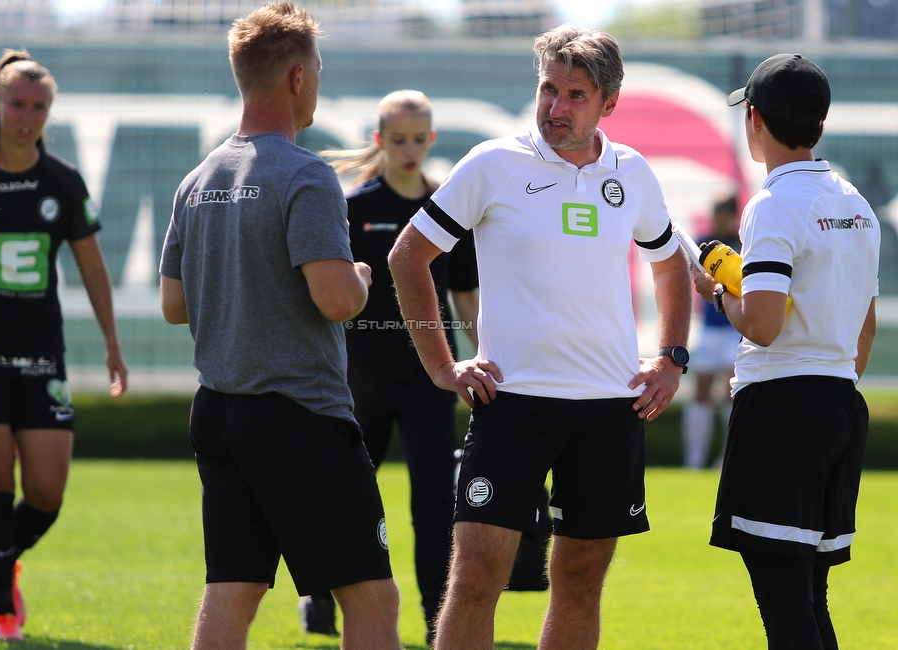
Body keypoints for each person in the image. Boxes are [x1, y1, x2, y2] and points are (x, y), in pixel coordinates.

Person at [388, 24, 691, 650]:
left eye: (575, 95)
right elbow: (408, 257)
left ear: (608, 104)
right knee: (475, 575)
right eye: (548, 89)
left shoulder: (631, 171)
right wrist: (443, 368)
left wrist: (672, 358)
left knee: (580, 579)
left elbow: (670, 263)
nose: (556, 107)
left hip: (611, 408)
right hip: (512, 403)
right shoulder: (493, 164)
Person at [158, 4, 402, 649]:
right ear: (297, 78)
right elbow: (335, 301)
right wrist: (360, 279)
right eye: (317, 70)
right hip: (298, 413)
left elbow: (174, 306)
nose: (318, 82)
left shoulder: (198, 179)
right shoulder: (306, 173)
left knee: (232, 592)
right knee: (373, 596)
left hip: (218, 412)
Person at [0, 50, 128, 642]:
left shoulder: (63, 182)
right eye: (17, 104)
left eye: (38, 107)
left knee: (46, 492)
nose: (27, 116)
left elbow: (92, 269)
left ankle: (4, 555)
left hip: (42, 354)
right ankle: (2, 614)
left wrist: (113, 345)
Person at [694, 53, 879, 649]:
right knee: (810, 600)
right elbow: (865, 329)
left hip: (783, 409)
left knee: (785, 604)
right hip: (841, 404)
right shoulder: (856, 203)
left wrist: (720, 292)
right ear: (820, 123)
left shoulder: (772, 206)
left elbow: (764, 326)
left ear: (754, 119)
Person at [296, 89, 478, 643]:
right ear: (380, 140)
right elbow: (325, 296)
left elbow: (467, 296)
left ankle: (432, 620)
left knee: (432, 502)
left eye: (419, 139)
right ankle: (321, 596)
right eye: (397, 139)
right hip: (358, 383)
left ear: (432, 140)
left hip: (428, 381)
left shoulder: (447, 207)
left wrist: (490, 355)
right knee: (344, 497)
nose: (409, 149)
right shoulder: (354, 207)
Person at [681, 194, 741, 469]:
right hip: (710, 329)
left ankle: (727, 458)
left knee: (732, 392)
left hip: (735, 329)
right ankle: (694, 460)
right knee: (701, 394)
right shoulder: (703, 244)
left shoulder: (740, 246)